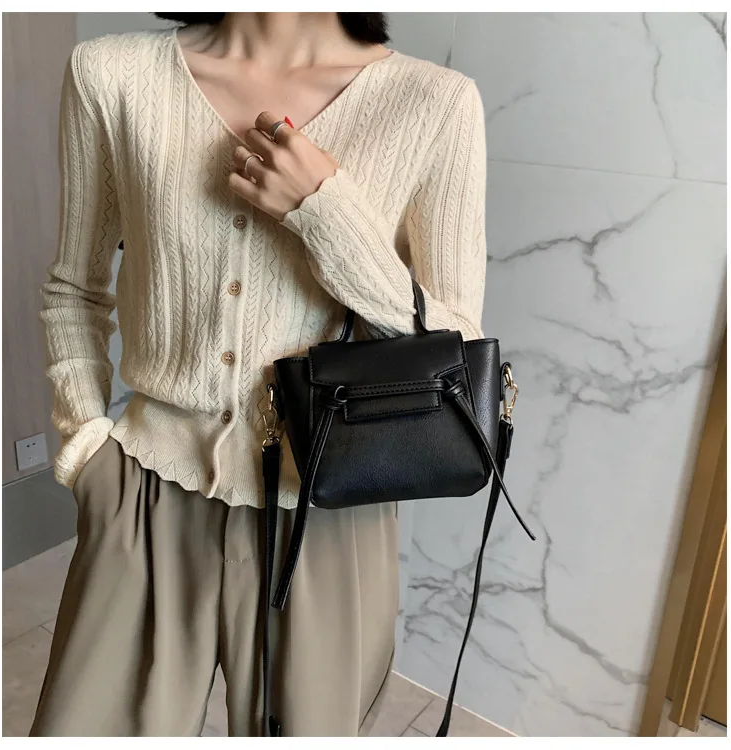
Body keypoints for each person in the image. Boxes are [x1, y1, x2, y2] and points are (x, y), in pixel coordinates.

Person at [30, 11, 488, 737]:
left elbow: (457, 350)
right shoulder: (111, 75)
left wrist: (324, 212)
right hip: (144, 488)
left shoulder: (436, 103)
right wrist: (87, 451)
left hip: (331, 509)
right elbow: (76, 288)